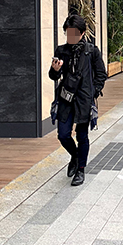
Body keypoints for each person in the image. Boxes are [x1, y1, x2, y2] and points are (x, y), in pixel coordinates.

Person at [49, 14, 107, 187]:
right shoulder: (61, 50)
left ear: (82, 33)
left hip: (83, 99)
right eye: (68, 33)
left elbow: (101, 74)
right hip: (66, 98)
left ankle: (80, 169)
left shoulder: (91, 51)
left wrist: (93, 93)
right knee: (63, 134)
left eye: (74, 33)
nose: (70, 37)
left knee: (82, 135)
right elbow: (54, 76)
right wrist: (55, 70)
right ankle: (75, 156)